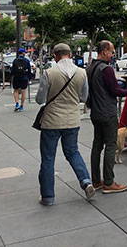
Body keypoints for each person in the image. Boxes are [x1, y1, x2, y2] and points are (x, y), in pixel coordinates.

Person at [35, 43, 95, 206]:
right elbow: (84, 97)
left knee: (48, 158)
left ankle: (48, 197)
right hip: (72, 120)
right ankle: (86, 181)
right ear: (69, 54)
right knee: (73, 152)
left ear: (55, 55)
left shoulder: (49, 72)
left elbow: (40, 99)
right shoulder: (81, 72)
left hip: (51, 122)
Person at [87, 40, 127, 194]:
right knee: (111, 145)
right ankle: (109, 182)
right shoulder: (106, 69)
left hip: (96, 112)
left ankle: (96, 180)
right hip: (107, 112)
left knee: (97, 145)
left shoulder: (91, 67)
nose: (113, 55)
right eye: (112, 51)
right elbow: (115, 91)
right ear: (105, 51)